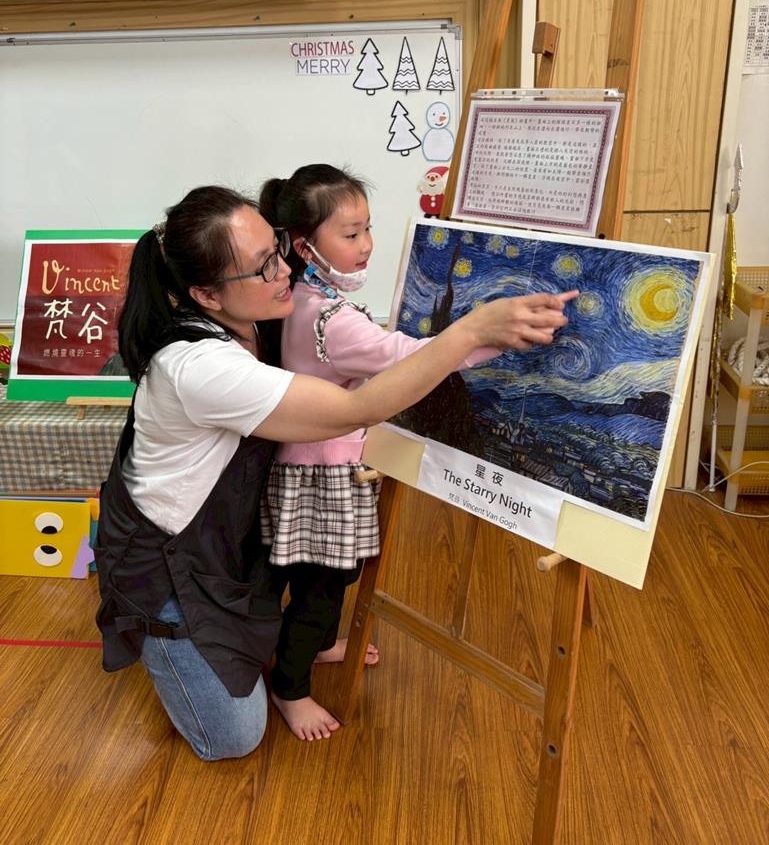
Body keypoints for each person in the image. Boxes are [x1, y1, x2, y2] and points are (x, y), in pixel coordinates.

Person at [95, 183, 576, 761]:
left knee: (296, 594)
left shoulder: (262, 313)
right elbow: (355, 408)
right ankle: (162, 635)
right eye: (263, 266)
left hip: (222, 541)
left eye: (278, 250)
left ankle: (258, 643)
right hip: (166, 562)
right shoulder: (200, 367)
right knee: (234, 738)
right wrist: (471, 331)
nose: (284, 270)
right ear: (205, 294)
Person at [258, 164, 513, 741]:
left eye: (368, 228)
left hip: (313, 467)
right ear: (304, 245)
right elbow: (411, 357)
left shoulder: (303, 295)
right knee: (321, 587)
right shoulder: (330, 321)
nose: (367, 244)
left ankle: (317, 646)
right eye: (351, 234)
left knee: (327, 576)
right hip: (323, 475)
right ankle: (290, 688)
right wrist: (488, 335)